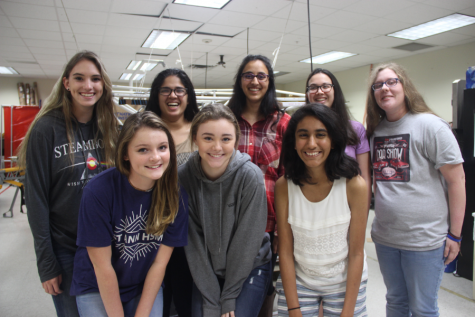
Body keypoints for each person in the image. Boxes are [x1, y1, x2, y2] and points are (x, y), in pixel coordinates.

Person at [18, 50, 118, 317]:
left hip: (108, 246)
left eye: (95, 79)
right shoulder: (46, 129)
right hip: (67, 249)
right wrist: (46, 262)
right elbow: (36, 200)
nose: (88, 86)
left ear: (103, 85)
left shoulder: (110, 127)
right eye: (79, 78)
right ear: (66, 83)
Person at [366, 62, 465, 316]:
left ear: (404, 86)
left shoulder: (431, 126)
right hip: (386, 239)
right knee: (396, 301)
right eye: (378, 85)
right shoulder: (375, 133)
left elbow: (457, 181)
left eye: (391, 82)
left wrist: (455, 234)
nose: (384, 88)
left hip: (425, 241)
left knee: (423, 308)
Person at [70, 111, 189, 317]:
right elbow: (102, 267)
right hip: (97, 285)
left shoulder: (175, 194)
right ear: (125, 153)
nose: (155, 157)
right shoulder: (99, 191)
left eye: (162, 147)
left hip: (144, 282)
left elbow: (159, 264)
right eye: (143, 149)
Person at [179, 103, 272, 317]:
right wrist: (212, 299)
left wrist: (229, 296)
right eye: (208, 138)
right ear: (195, 138)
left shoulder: (250, 176)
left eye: (226, 139)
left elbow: (247, 241)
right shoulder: (183, 178)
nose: (217, 147)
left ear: (236, 141)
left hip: (250, 264)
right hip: (206, 267)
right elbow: (193, 243)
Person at [275, 103, 368, 317]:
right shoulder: (284, 186)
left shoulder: (353, 185)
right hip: (301, 280)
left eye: (320, 134)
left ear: (333, 141)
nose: (311, 143)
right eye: (303, 135)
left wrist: (347, 312)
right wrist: (294, 309)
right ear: (294, 142)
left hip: (344, 281)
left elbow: (356, 253)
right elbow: (286, 253)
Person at [228, 55, 291, 315]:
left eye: (261, 76)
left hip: (268, 224)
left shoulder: (284, 123)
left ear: (269, 81)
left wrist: (281, 230)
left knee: (264, 292)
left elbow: (288, 179)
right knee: (228, 290)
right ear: (240, 80)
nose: (255, 81)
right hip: (227, 221)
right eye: (248, 75)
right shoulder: (225, 118)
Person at [146, 68, 199, 317]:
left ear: (188, 95)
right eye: (165, 90)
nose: (172, 95)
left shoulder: (201, 131)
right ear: (156, 95)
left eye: (179, 90)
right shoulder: (144, 131)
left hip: (195, 231)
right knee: (158, 300)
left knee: (187, 298)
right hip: (152, 229)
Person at [305, 68, 371, 207]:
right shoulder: (298, 131)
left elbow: (364, 177)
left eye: (325, 86)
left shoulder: (355, 130)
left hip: (348, 206)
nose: (319, 91)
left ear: (335, 90)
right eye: (313, 87)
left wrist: (362, 216)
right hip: (310, 203)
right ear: (307, 93)